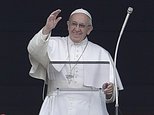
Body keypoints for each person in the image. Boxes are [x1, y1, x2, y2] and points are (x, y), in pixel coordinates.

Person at [27, 8, 123, 115]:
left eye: (81, 25)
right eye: (74, 24)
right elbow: (33, 49)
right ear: (68, 25)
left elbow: (112, 95)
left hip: (91, 108)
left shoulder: (101, 53)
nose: (77, 29)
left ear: (89, 29)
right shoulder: (53, 44)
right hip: (57, 107)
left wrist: (110, 92)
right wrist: (47, 29)